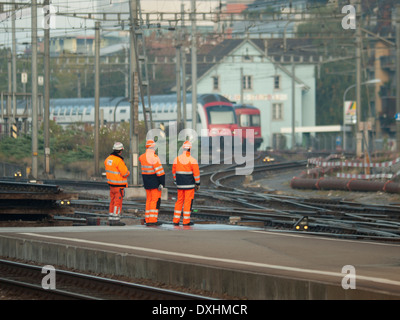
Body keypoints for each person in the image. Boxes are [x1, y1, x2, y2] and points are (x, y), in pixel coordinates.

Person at [172, 141, 200, 226]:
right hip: (189, 185)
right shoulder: (192, 160)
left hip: (180, 185)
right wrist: (197, 184)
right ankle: (186, 221)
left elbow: (174, 172)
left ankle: (176, 220)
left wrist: (175, 180)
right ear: (189, 149)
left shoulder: (177, 159)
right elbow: (196, 174)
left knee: (179, 201)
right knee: (188, 202)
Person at [139, 139, 165, 226]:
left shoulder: (142, 157)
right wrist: (162, 183)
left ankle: (147, 218)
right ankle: (153, 220)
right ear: (153, 147)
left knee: (149, 200)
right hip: (155, 182)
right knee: (155, 200)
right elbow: (160, 172)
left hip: (146, 182)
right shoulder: (154, 157)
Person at [104, 142, 130, 226]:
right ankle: (116, 219)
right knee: (117, 203)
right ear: (121, 150)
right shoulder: (118, 160)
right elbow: (125, 173)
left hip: (111, 185)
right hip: (119, 186)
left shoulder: (108, 159)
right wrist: (128, 172)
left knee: (112, 201)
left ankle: (111, 218)